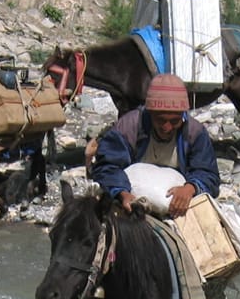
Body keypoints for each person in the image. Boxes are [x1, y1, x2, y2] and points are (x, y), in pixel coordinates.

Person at [90, 74, 220, 218]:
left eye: (174, 121)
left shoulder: (195, 133)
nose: (167, 127)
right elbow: (107, 166)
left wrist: (190, 188)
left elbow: (209, 174)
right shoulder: (128, 127)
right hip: (128, 202)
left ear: (183, 115)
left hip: (178, 208)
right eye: (160, 120)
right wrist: (122, 193)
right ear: (150, 112)